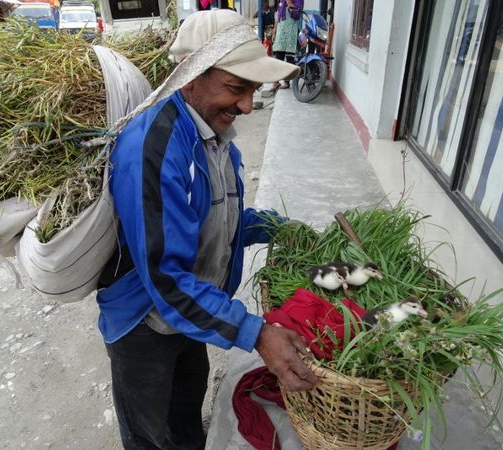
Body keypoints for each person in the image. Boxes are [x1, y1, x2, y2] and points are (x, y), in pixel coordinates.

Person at [96, 9, 318, 450]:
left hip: (191, 315)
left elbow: (223, 218)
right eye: (237, 88)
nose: (247, 105)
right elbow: (166, 279)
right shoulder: (154, 147)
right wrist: (257, 333)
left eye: (253, 90)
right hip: (146, 322)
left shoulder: (217, 140)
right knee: (148, 434)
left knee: (186, 417)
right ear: (192, 77)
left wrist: (280, 228)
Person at [271, 0, 302, 88]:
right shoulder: (281, 2)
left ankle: (286, 82)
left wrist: (290, 3)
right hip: (281, 34)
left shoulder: (297, 1)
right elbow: (277, 19)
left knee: (289, 58)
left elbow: (298, 14)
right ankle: (275, 81)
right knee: (278, 57)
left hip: (290, 35)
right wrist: (274, 33)